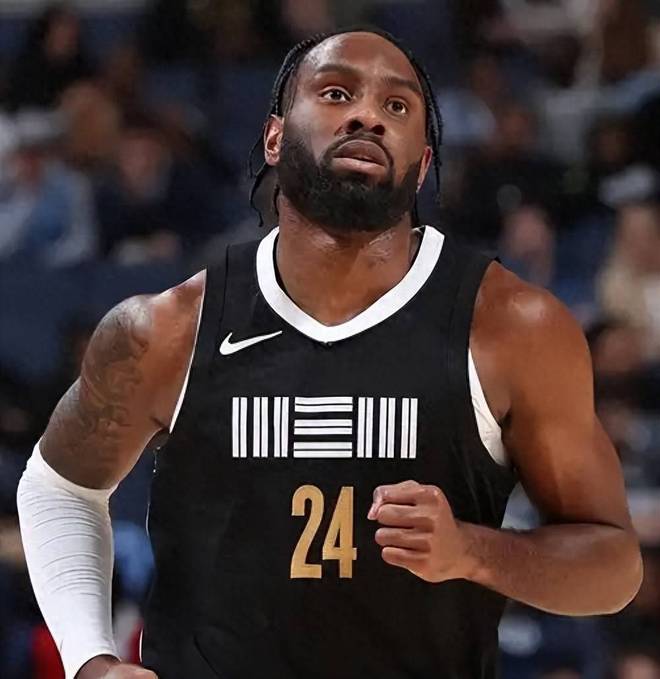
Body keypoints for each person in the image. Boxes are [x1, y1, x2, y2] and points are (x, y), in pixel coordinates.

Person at [16, 28, 642, 679]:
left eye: (397, 105)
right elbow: (60, 486)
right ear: (275, 137)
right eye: (337, 92)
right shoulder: (168, 329)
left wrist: (474, 552)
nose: (368, 115)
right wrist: (91, 660)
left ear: (422, 163)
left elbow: (613, 568)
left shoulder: (513, 328)